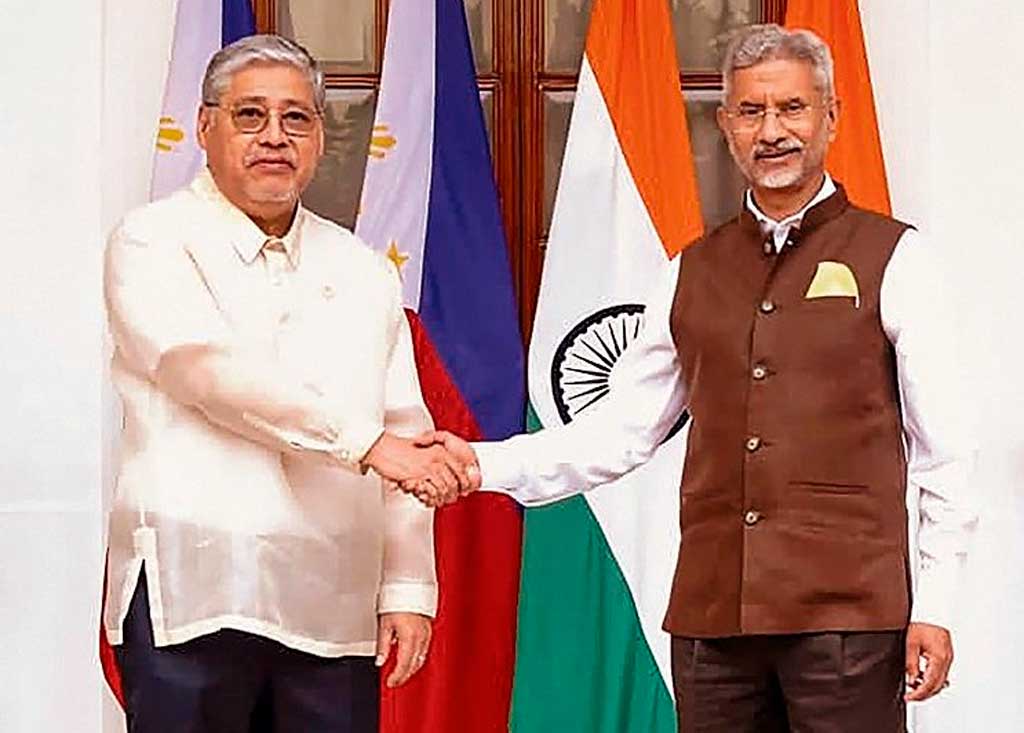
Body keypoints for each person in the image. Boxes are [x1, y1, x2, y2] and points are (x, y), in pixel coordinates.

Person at [413, 24, 973, 732]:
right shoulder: (690, 271)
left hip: (849, 623)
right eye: (751, 111)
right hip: (713, 628)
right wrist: (478, 463)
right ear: (726, 126)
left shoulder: (896, 258)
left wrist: (936, 606)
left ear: (831, 117)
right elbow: (618, 433)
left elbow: (944, 455)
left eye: (792, 108)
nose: (772, 131)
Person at [102, 34, 470, 732]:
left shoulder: (363, 269)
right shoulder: (151, 240)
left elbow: (406, 431)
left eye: (296, 118)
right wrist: (364, 444)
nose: (274, 136)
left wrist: (408, 585)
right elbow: (203, 370)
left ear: (319, 138)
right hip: (196, 584)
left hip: (333, 600)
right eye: (250, 115)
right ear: (205, 127)